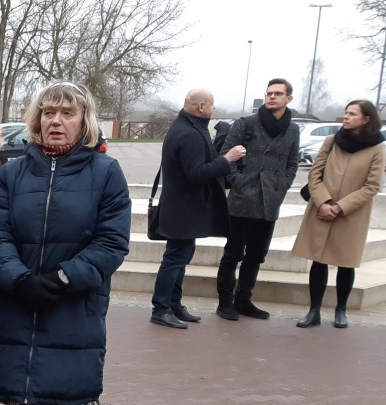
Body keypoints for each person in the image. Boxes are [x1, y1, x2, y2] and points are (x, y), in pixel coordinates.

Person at [0, 82, 130, 405]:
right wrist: (18, 278)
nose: (55, 120)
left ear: (83, 119)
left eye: (66, 113)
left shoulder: (107, 172)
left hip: (71, 311)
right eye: (48, 112)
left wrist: (64, 279)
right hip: (16, 304)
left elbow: (111, 242)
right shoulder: (12, 173)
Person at [150, 88, 246, 329]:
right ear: (201, 106)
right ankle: (161, 308)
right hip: (183, 210)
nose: (214, 108)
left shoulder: (189, 127)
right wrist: (228, 159)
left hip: (184, 209)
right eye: (212, 104)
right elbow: (196, 173)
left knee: (180, 258)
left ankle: (173, 304)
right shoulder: (189, 133)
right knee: (175, 259)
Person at [292, 100, 386, 329]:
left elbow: (372, 186)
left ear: (366, 119)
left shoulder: (378, 148)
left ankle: (340, 310)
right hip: (321, 209)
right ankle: (313, 311)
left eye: (352, 114)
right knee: (318, 259)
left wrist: (340, 207)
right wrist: (323, 202)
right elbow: (314, 174)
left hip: (350, 214)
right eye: (345, 112)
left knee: (346, 263)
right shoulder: (332, 140)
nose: (346, 117)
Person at [215, 79, 301, 321]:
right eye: (269, 93)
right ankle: (225, 302)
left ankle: (244, 300)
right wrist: (240, 181)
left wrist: (282, 186)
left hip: (270, 200)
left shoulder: (292, 130)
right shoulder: (246, 124)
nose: (272, 97)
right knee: (233, 253)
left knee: (256, 254)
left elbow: (292, 163)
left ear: (288, 99)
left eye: (278, 93)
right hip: (242, 199)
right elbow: (226, 156)